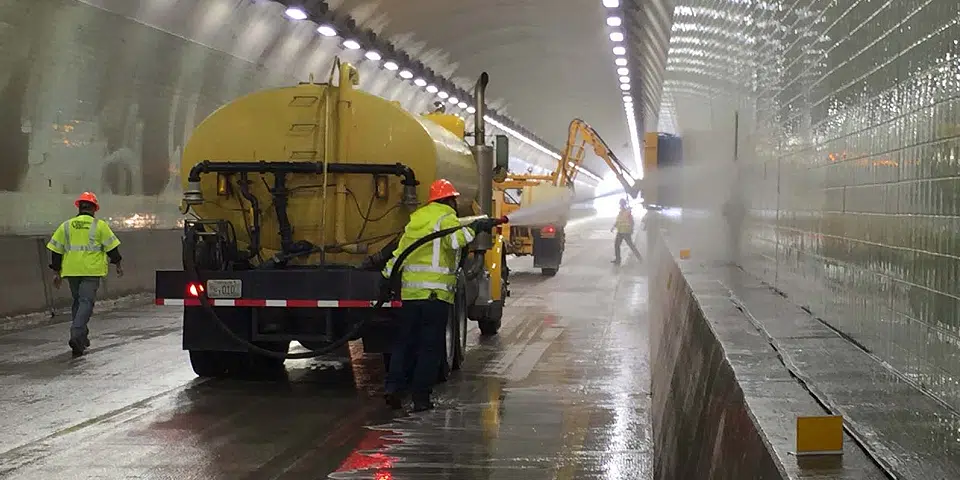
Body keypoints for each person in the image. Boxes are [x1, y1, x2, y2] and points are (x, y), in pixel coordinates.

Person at [381, 179, 497, 412]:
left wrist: (385, 277)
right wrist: (473, 229)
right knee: (429, 347)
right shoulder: (447, 217)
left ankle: (393, 387)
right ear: (449, 200)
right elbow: (454, 242)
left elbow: (400, 253)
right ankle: (421, 398)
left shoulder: (416, 220)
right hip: (435, 296)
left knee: (404, 342)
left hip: (411, 295)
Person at [46, 192, 124, 356]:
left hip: (71, 271)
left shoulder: (66, 226)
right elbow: (112, 248)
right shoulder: (99, 225)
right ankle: (76, 332)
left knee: (78, 302)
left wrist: (56, 272)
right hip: (91, 271)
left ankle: (81, 338)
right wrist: (117, 264)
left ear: (79, 207)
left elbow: (56, 251)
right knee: (86, 302)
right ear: (94, 208)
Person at [611, 198, 642, 265]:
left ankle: (640, 259)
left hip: (626, 232)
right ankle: (618, 260)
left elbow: (631, 222)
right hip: (620, 232)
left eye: (621, 204)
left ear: (623, 204)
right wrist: (613, 227)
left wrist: (631, 229)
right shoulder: (621, 212)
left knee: (631, 246)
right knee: (617, 245)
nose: (620, 205)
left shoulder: (627, 212)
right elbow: (618, 221)